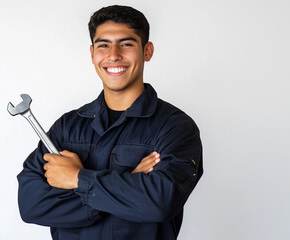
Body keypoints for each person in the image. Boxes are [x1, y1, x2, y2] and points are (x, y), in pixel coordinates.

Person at [17, 5, 203, 240]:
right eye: (104, 45)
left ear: (147, 51)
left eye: (126, 44)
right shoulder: (67, 127)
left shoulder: (175, 128)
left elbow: (160, 202)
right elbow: (31, 204)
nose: (113, 55)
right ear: (92, 53)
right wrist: (131, 184)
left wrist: (77, 179)